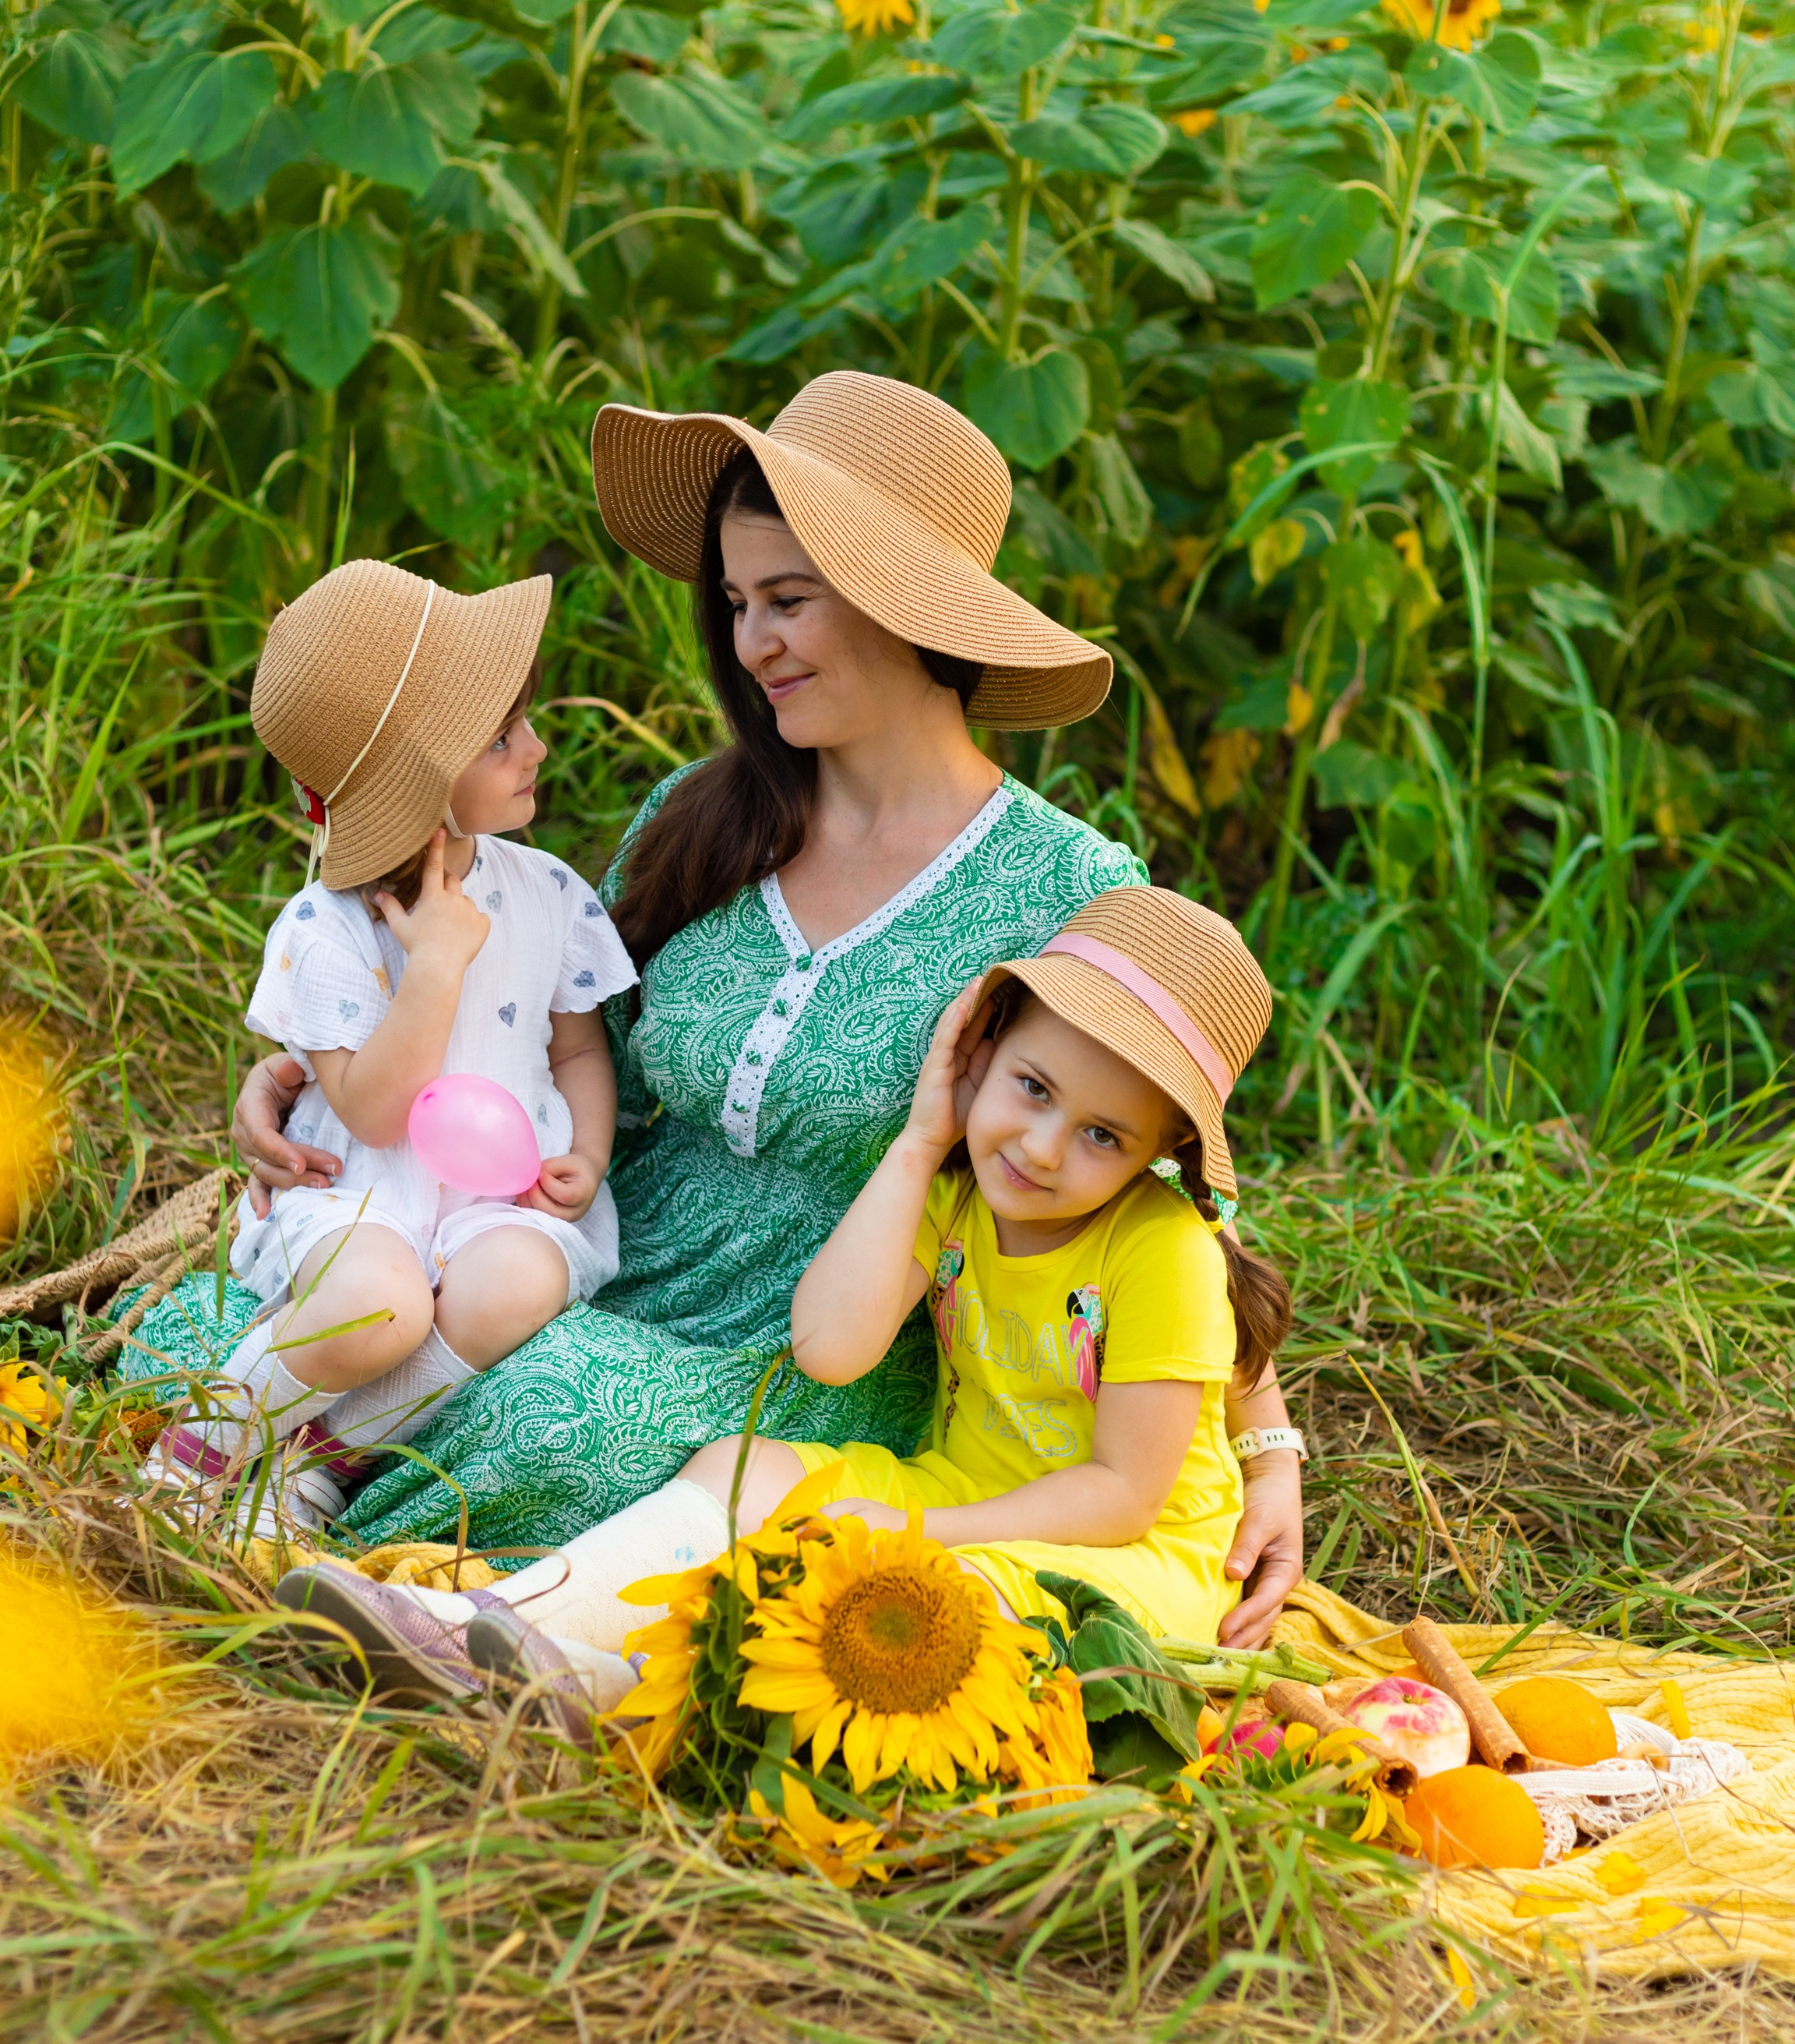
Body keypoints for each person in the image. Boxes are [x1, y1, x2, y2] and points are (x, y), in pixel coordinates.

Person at [145, 370, 1301, 1640]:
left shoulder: (1063, 888)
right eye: (740, 603)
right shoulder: (700, 818)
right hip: (581, 1255)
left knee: (552, 1408)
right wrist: (311, 1075)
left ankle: (295, 1514)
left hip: (812, 1347)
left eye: (789, 602)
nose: (753, 643)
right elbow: (518, 1023)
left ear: (901, 604)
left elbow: (1177, 1184)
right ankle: (265, 1487)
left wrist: (1267, 1446)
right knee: (314, 1310)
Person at [273, 885, 1303, 1713]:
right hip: (964, 1487)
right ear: (979, 1053)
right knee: (743, 1470)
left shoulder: (1162, 1250)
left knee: (922, 1597)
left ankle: (611, 1688)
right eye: (1032, 1088)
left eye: (1102, 1136)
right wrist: (920, 1141)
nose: (1040, 1147)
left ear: (1160, 1155)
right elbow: (830, 1348)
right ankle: (504, 1627)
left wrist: (929, 1534)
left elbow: (1122, 1494)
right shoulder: (956, 1195)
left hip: (1128, 1556)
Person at [145, 561, 634, 1536]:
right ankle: (207, 1447)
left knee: (520, 1285)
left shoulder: (546, 890)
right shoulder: (323, 930)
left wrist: (589, 1148)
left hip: (503, 1194)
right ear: (416, 782)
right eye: (501, 738)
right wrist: (436, 965)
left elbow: (576, 1048)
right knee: (380, 1306)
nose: (536, 746)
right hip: (362, 1187)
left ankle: (327, 1460)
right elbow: (370, 1108)